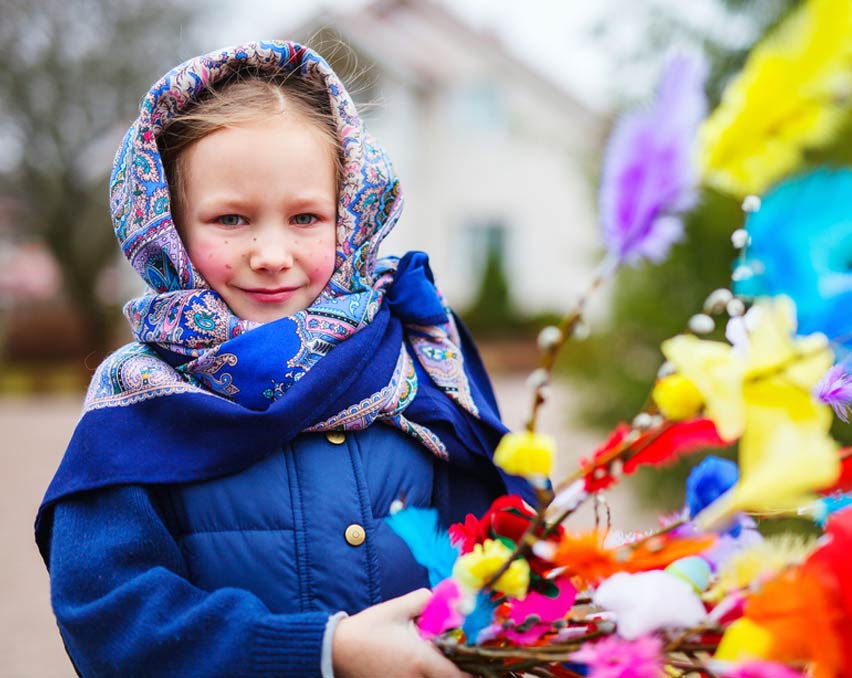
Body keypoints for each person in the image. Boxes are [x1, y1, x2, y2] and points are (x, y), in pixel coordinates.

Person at [35, 40, 532, 677]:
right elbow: (110, 617)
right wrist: (323, 653)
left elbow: (497, 551)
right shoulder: (140, 398)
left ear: (348, 217)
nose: (271, 253)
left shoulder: (412, 359)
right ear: (167, 226)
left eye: (304, 217)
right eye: (232, 219)